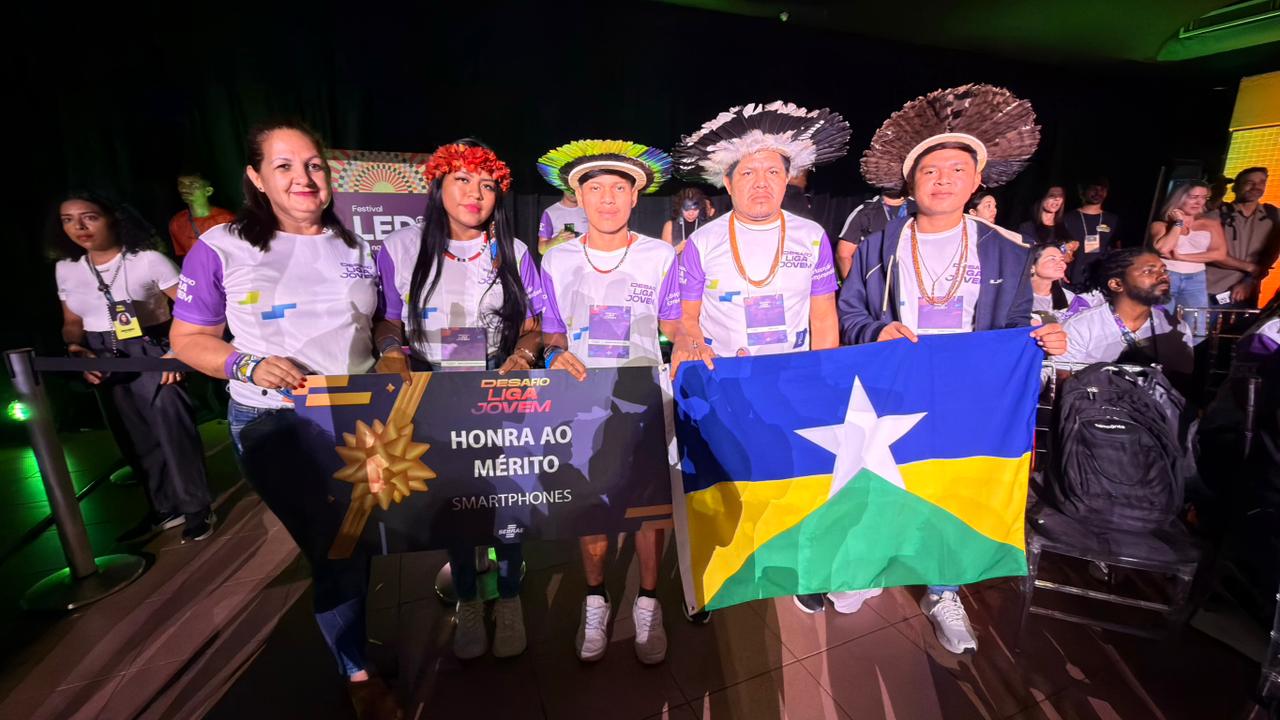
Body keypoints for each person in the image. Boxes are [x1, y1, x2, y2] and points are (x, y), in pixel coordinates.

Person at [169, 121, 400, 719]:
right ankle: (357, 674)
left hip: (358, 420)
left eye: (313, 165)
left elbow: (384, 321)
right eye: (284, 166)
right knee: (336, 544)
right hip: (276, 423)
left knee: (359, 542)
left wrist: (391, 348)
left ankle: (353, 644)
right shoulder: (220, 247)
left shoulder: (359, 248)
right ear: (255, 177)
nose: (304, 178)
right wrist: (245, 363)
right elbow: (188, 339)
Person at [838, 84, 1067, 653]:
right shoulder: (878, 247)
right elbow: (850, 313)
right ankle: (874, 565)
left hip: (968, 392)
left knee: (952, 487)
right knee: (883, 478)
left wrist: (1039, 340)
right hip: (895, 385)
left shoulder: (1006, 251)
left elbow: (1014, 323)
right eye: (930, 171)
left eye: (956, 170)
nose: (942, 180)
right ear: (910, 181)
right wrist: (877, 330)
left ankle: (943, 589)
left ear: (976, 181)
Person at [673, 100, 847, 615]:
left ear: (788, 178)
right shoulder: (702, 243)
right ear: (727, 183)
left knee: (794, 480)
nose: (761, 182)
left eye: (773, 171)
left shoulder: (811, 237)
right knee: (726, 482)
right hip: (725, 383)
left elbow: (824, 317)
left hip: (792, 382)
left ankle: (797, 568)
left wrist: (825, 380)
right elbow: (686, 319)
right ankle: (717, 572)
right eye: (748, 172)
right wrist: (694, 342)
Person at [372, 140, 542, 660]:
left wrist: (524, 354)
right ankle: (468, 595)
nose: (475, 193)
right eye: (462, 180)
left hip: (497, 385)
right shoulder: (400, 248)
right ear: (438, 185)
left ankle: (509, 596)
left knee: (508, 495)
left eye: (487, 184)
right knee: (456, 501)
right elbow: (388, 320)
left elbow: (535, 325)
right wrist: (391, 351)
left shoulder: (513, 251)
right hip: (434, 388)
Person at [535, 138, 687, 664]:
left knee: (649, 509)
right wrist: (552, 354)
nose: (607, 198)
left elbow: (673, 323)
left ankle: (648, 601)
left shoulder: (659, 255)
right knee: (591, 507)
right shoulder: (556, 260)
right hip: (581, 399)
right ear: (577, 197)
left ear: (635, 196)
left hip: (643, 396)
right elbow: (551, 331)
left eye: (618, 188)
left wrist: (689, 340)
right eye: (595, 188)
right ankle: (595, 598)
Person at [52, 191, 214, 544]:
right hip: (102, 354)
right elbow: (72, 321)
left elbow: (195, 308)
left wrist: (178, 351)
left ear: (113, 218)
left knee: (173, 430)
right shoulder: (66, 268)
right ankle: (164, 507)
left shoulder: (148, 260)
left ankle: (197, 507)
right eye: (67, 220)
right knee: (133, 435)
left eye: (89, 216)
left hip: (153, 347)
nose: (79, 226)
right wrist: (75, 348)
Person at [1057, 248, 1194, 383]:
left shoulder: (1177, 328)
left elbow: (1182, 383)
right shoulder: (1079, 327)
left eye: (1163, 270)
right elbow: (1061, 383)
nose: (1163, 276)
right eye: (1148, 271)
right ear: (1116, 284)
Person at [1150, 180, 1228, 314]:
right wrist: (1178, 223)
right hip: (1167, 275)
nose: (1199, 202)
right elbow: (1163, 249)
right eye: (1194, 197)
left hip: (1196, 278)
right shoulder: (1160, 225)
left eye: (1204, 198)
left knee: (1197, 322)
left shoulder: (1211, 224)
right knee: (1160, 319)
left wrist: (1181, 256)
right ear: (1179, 198)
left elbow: (1219, 254)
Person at [1210, 167, 1280, 309]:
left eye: (1261, 182)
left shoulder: (1273, 215)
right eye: (1249, 182)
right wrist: (1252, 268)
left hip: (1248, 293)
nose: (1256, 187)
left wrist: (1250, 280)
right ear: (1235, 187)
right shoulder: (1217, 213)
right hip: (1212, 290)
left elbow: (1271, 255)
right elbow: (1211, 254)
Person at [836, 190, 913, 280]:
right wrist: (854, 286)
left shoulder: (920, 208)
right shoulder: (865, 212)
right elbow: (843, 255)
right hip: (877, 283)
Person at [1063, 176, 1122, 285]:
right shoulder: (1068, 218)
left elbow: (1117, 250)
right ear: (1083, 191)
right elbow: (1058, 247)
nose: (1098, 193)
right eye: (1093, 189)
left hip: (1100, 280)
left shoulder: (1113, 220)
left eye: (1102, 189)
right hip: (1070, 279)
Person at [168, 174, 236, 259]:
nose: (184, 189)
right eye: (181, 184)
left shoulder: (226, 219)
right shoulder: (177, 223)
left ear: (208, 191)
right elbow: (185, 258)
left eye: (193, 185)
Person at [1029, 243, 1096, 324]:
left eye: (1062, 259)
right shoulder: (1018, 299)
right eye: (1052, 259)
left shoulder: (1072, 300)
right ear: (1032, 266)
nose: (1061, 264)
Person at [535, 189, 589, 255]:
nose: (572, 191)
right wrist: (556, 240)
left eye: (575, 188)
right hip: (561, 259)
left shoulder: (589, 210)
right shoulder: (550, 212)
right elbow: (541, 249)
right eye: (569, 188)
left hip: (586, 259)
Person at [661, 187, 712, 253]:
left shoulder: (707, 226)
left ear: (700, 208)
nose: (691, 214)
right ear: (680, 208)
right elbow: (664, 255)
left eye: (695, 210)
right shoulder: (670, 226)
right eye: (687, 209)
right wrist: (677, 249)